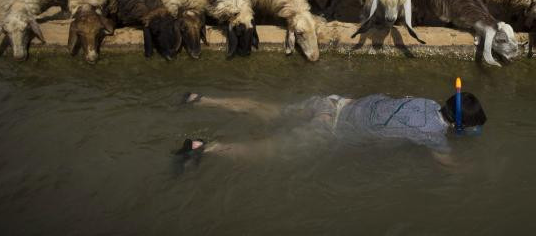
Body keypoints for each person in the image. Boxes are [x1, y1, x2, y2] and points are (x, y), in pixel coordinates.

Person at [174, 91, 487, 167]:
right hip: (329, 130)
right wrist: (472, 169)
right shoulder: (434, 134)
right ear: (459, 126)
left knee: (273, 113)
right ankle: (206, 148)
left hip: (333, 103)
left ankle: (201, 99)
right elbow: (448, 166)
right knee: (270, 149)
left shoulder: (426, 101)